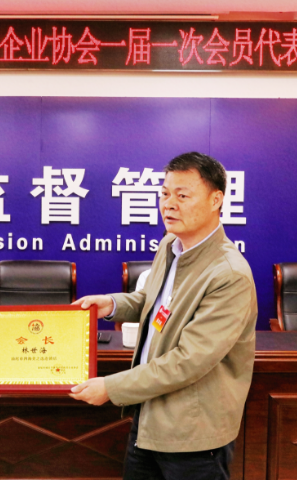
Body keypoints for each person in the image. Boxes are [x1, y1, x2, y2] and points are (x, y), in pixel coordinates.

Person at [71, 152, 257, 480]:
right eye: (165, 193)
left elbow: (188, 361)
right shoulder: (171, 245)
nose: (169, 204)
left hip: (193, 434)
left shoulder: (229, 274)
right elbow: (154, 301)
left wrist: (112, 387)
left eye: (182, 196)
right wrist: (110, 305)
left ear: (216, 200)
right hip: (149, 418)